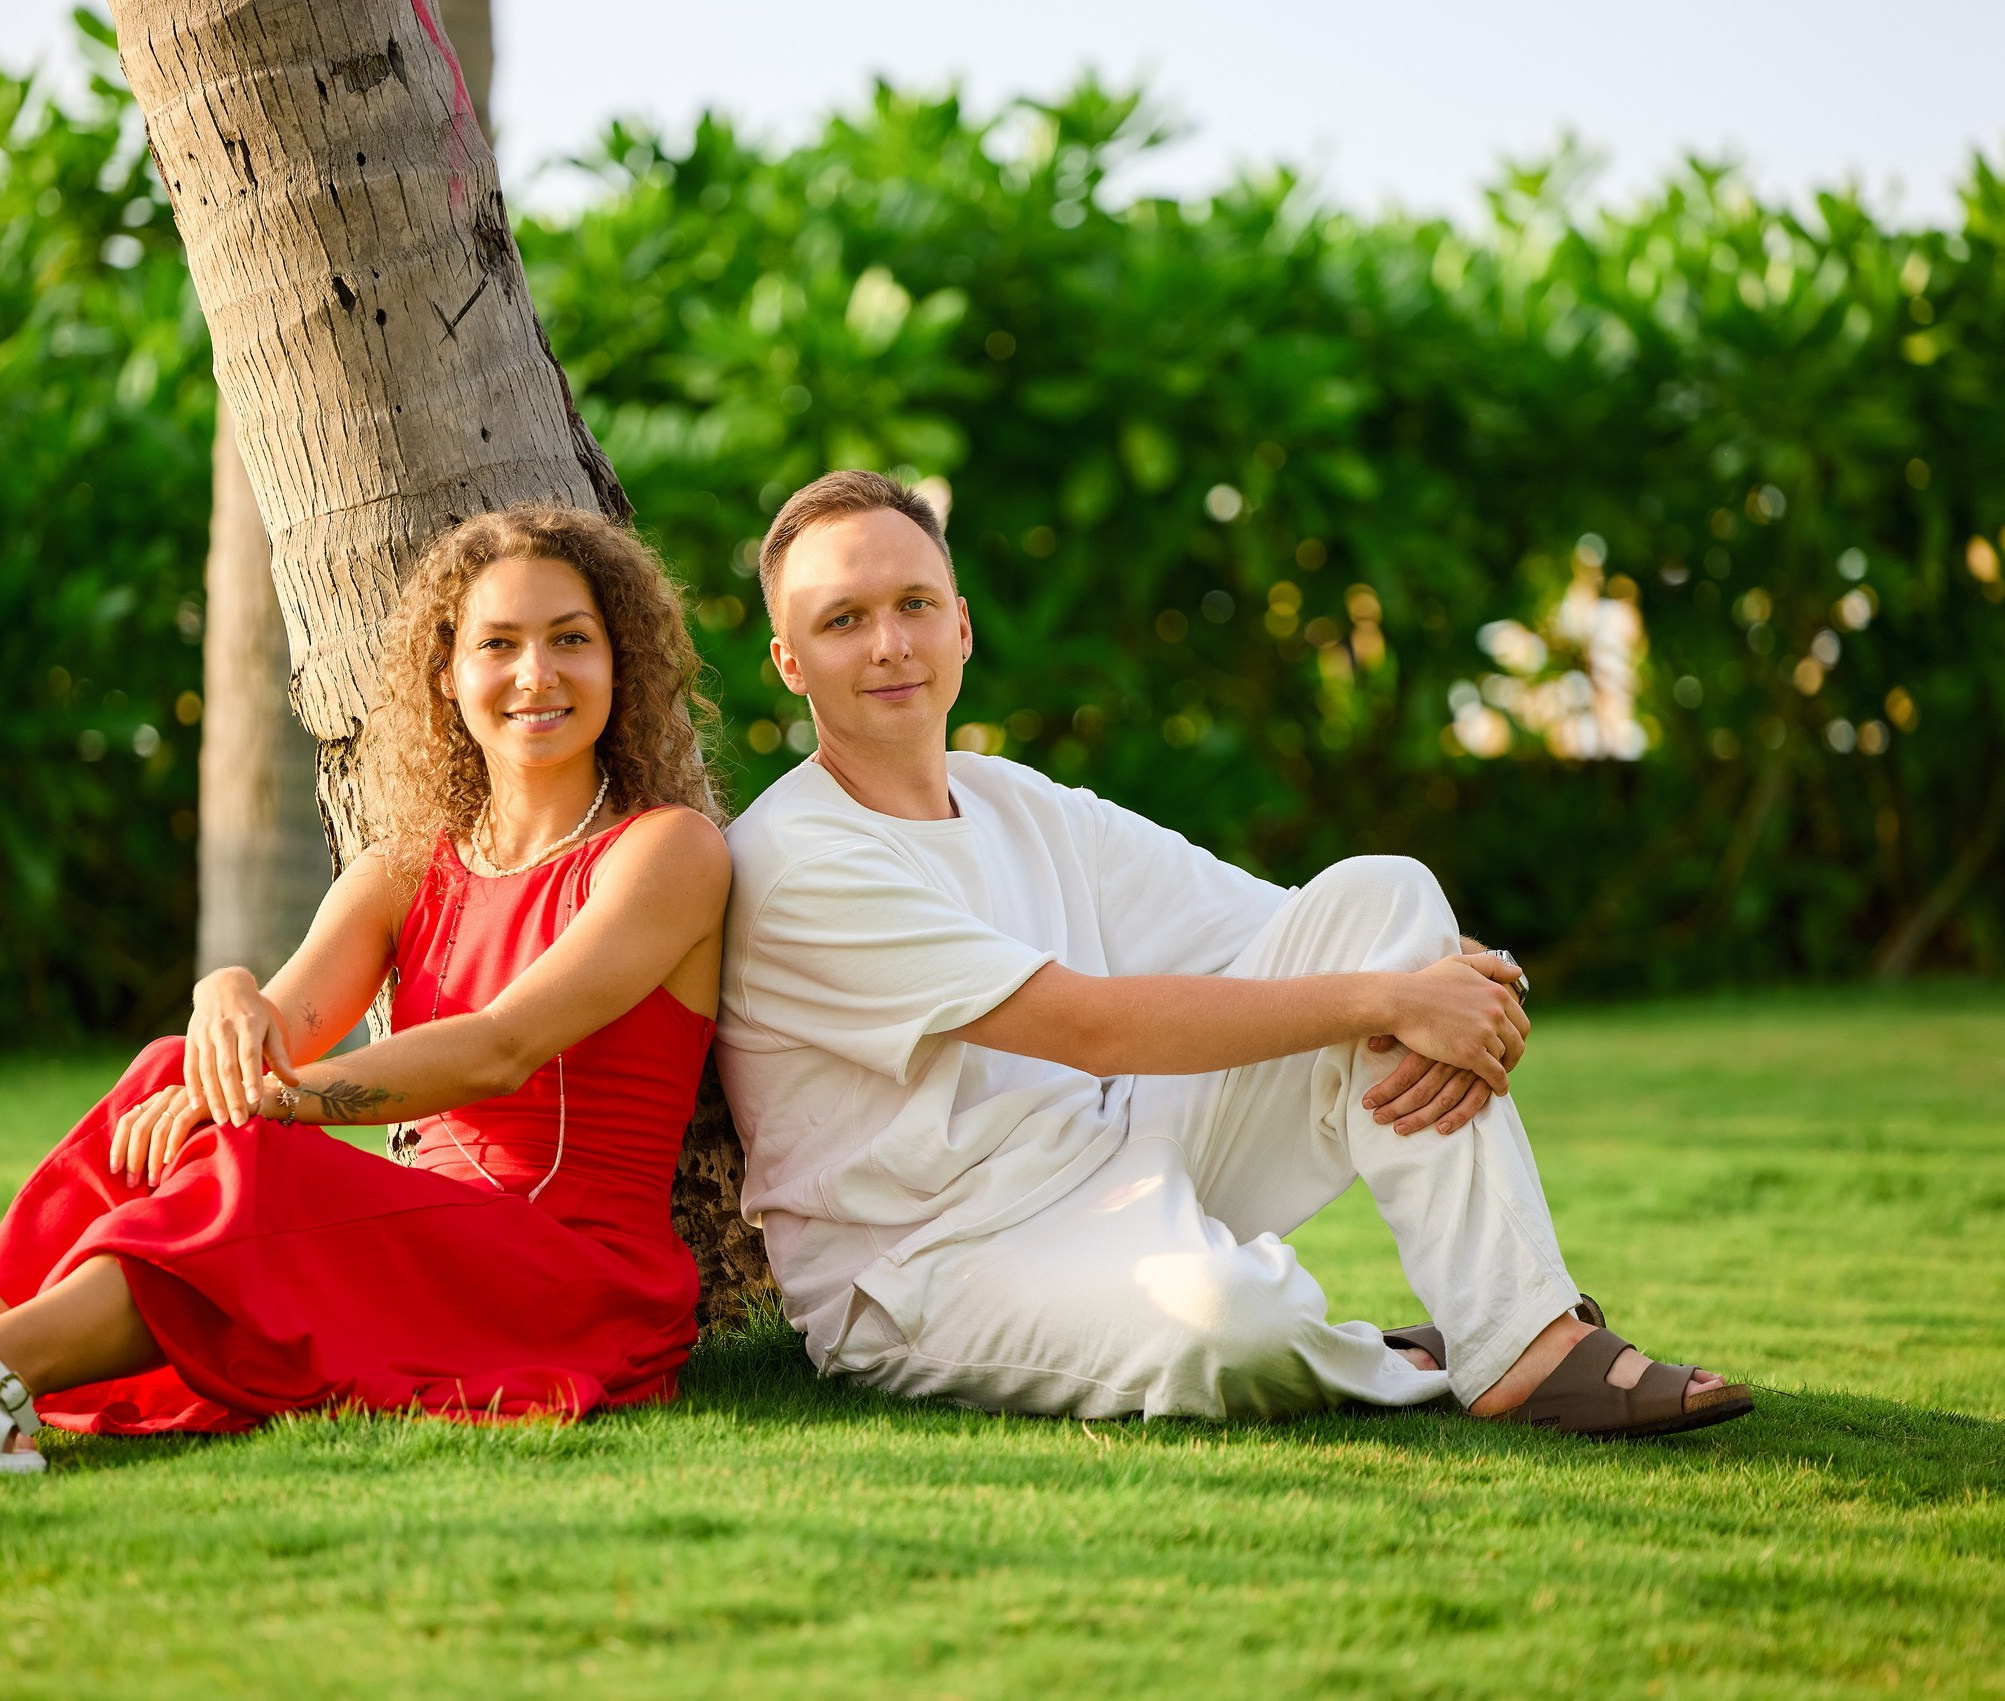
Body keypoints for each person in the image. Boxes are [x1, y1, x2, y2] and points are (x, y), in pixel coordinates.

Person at [715, 470, 1751, 1439]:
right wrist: (1395, 993)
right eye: (844, 621)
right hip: (930, 1267)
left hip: (1109, 1159)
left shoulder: (1009, 795)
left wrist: (1446, 976)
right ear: (790, 662)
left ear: (962, 626)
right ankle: (1415, 1350)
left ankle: (1523, 1336)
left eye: (914, 605)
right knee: (1235, 1320)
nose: (890, 643)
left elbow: (1290, 923)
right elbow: (1091, 1027)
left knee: (1386, 892)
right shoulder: (799, 860)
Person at [0, 506, 731, 1476]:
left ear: (621, 661)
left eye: (571, 640)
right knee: (167, 1076)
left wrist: (273, 1099)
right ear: (449, 674)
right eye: (498, 643)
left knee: (260, 1152)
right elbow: (279, 1025)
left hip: (563, 1274)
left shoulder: (669, 851)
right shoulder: (407, 869)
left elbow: (499, 1047)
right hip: (414, 1238)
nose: (536, 673)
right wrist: (226, 998)